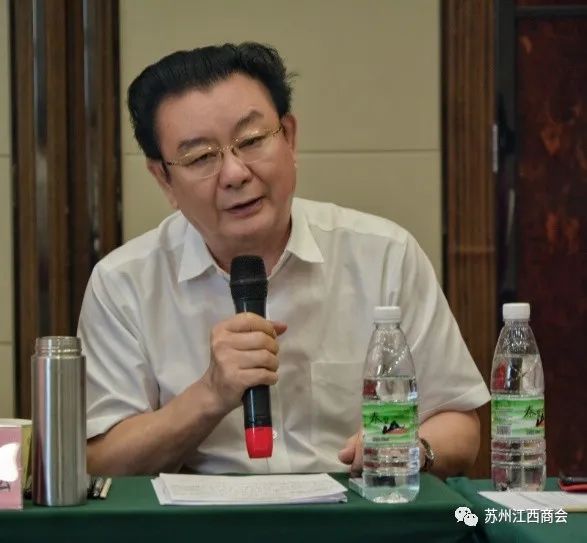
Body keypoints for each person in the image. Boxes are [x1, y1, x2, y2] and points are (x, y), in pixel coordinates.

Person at [79, 42, 490, 477]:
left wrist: (411, 449)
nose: (235, 174)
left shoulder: (385, 255)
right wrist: (209, 394)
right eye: (200, 157)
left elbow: (458, 424)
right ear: (164, 179)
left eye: (252, 141)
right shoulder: (122, 284)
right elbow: (100, 460)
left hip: (355, 506)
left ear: (290, 138)